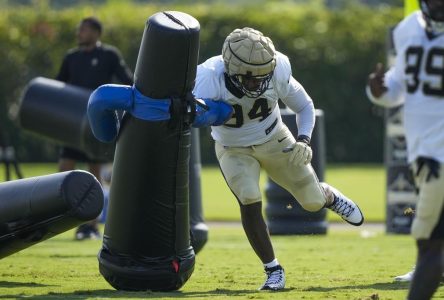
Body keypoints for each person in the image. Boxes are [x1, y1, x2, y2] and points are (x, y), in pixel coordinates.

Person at [193, 27, 364, 291]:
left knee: (312, 202)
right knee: (249, 198)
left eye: (262, 76)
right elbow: (187, 113)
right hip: (232, 148)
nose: (257, 84)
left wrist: (304, 139)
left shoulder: (278, 69)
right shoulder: (207, 77)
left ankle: (328, 196)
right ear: (231, 69)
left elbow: (304, 106)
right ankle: (273, 269)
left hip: (275, 139)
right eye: (249, 78)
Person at [367, 0, 444, 298]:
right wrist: (378, 90)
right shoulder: (408, 29)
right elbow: (398, 86)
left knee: (429, 244)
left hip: (437, 156)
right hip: (425, 152)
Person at [56, 16, 133, 240]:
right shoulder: (71, 57)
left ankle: (91, 227)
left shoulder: (109, 55)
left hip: (95, 126)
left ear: (96, 33)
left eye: (84, 30)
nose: (79, 33)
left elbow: (126, 80)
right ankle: (60, 223)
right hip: (73, 126)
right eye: (79, 29)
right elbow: (58, 85)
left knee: (94, 175)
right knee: (63, 171)